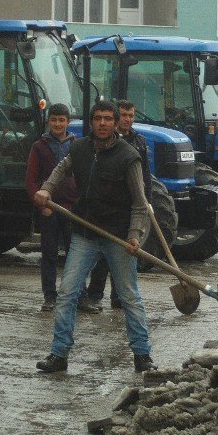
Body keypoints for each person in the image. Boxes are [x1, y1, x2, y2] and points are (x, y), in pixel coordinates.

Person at [32, 100, 157, 373]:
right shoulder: (79, 148)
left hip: (118, 237)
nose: (102, 123)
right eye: (98, 118)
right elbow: (61, 170)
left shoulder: (128, 156)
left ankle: (142, 355)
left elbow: (139, 203)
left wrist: (135, 235)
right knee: (67, 292)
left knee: (128, 296)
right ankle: (59, 354)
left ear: (115, 123)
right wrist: (46, 189)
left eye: (108, 119)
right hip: (85, 233)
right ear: (92, 122)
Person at [80, 99, 152, 312]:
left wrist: (147, 200)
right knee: (104, 255)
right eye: (124, 115)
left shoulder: (139, 142)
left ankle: (119, 297)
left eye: (131, 115)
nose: (128, 120)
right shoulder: (106, 143)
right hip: (109, 207)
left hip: (132, 209)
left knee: (127, 252)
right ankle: (94, 295)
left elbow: (144, 175)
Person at [26, 103, 78, 312]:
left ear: (68, 122)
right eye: (54, 120)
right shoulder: (39, 146)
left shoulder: (77, 145)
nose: (58, 124)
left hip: (72, 210)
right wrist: (41, 206)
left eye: (62, 120)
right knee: (49, 254)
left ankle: (78, 295)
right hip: (49, 209)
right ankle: (50, 296)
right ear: (49, 122)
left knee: (76, 255)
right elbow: (31, 180)